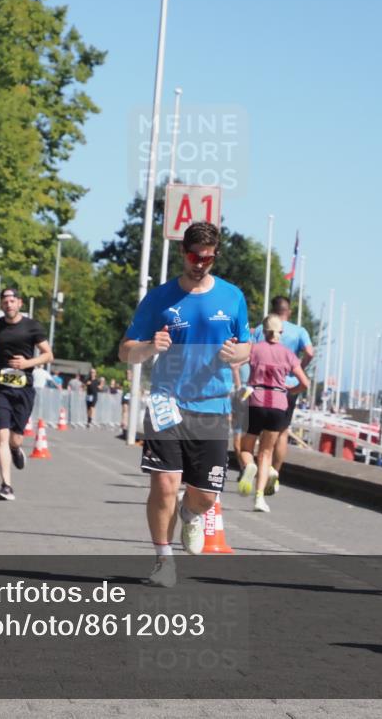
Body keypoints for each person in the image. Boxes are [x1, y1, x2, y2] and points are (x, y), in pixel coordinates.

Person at [119, 222, 250, 587]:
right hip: (166, 402)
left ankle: (191, 514)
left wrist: (237, 353)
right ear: (183, 253)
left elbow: (247, 345)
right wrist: (149, 348)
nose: (200, 264)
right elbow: (125, 351)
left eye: (208, 258)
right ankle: (164, 560)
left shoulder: (232, 296)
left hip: (211, 407)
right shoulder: (159, 298)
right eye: (195, 256)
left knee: (206, 496)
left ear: (215, 255)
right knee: (163, 485)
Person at [237, 315, 310, 512]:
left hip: (256, 401)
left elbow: (235, 364)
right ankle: (259, 498)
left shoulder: (255, 349)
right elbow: (305, 383)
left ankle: (248, 466)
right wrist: (289, 390)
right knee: (266, 453)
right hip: (278, 404)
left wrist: (239, 386)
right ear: (281, 332)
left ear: (263, 331)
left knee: (246, 448)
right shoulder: (288, 354)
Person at [0, 287, 53, 501]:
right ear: (1, 304)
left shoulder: (32, 326)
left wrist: (27, 363)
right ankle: (6, 485)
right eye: (5, 300)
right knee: (1, 435)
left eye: (12, 300)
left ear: (19, 303)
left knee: (15, 439)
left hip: (23, 388)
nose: (8, 304)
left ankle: (16, 449)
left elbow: (48, 355)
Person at [247, 295, 314, 496]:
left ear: (272, 311)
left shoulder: (261, 329)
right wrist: (297, 369)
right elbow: (310, 352)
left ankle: (255, 468)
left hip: (259, 390)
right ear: (289, 311)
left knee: (255, 436)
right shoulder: (299, 331)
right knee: (282, 432)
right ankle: (274, 471)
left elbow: (249, 354)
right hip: (287, 387)